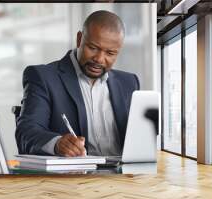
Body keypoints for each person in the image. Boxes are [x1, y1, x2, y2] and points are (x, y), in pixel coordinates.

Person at [15, 10, 140, 157]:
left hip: (124, 175)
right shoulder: (43, 77)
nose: (99, 59)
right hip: (76, 177)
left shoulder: (130, 82)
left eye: (110, 53)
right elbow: (27, 132)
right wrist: (57, 144)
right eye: (93, 48)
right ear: (79, 39)